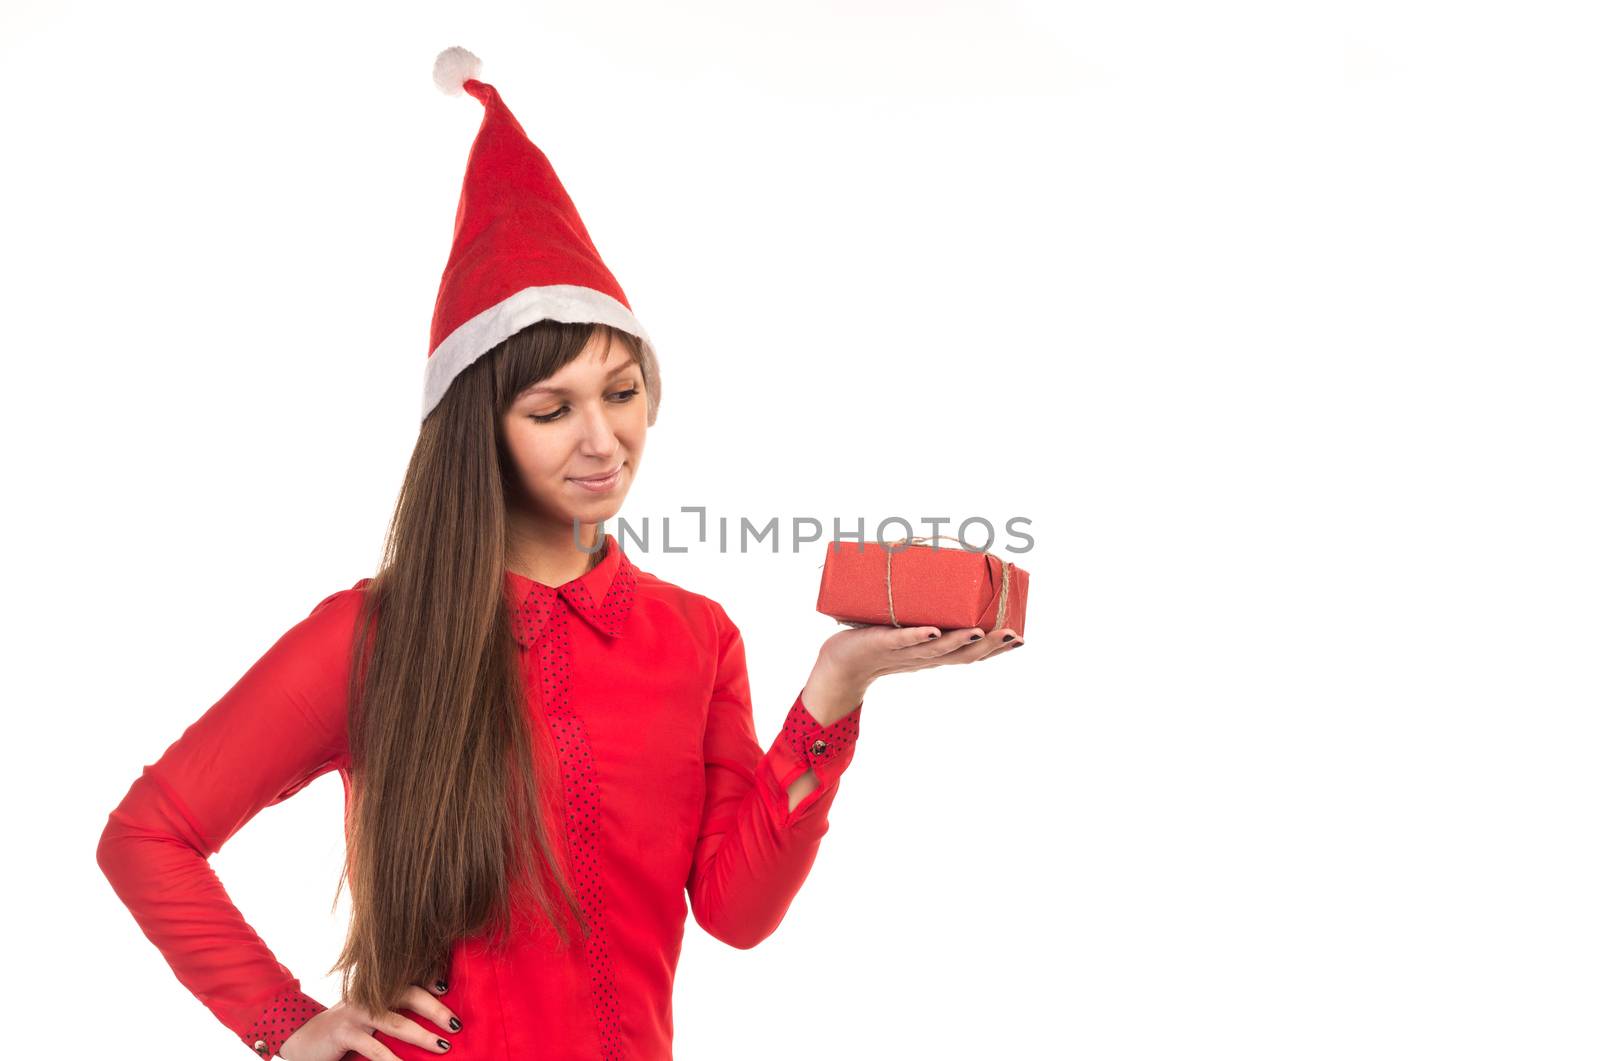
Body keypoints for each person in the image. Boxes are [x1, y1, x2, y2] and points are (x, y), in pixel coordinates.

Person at [96, 47, 1023, 1061]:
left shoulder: (695, 635)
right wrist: (286, 1025)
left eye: (621, 394)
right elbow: (148, 835)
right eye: (551, 408)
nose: (600, 438)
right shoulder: (373, 635)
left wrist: (835, 689)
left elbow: (736, 910)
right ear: (479, 429)